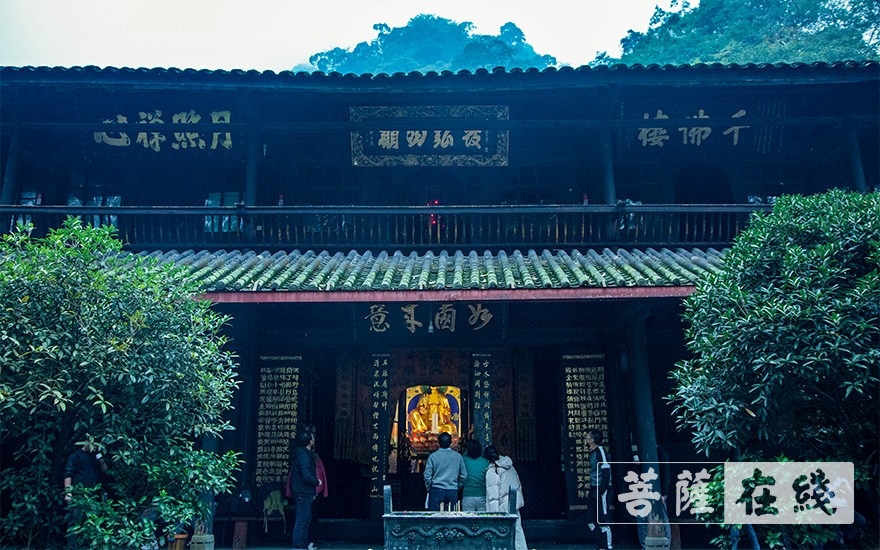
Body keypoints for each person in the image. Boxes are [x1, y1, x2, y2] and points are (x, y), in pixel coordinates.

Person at [63, 442, 108, 550]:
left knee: (92, 523)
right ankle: (72, 547)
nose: (96, 447)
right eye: (94, 445)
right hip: (79, 495)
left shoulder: (95, 457)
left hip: (92, 496)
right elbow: (68, 474)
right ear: (87, 442)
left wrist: (101, 460)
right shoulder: (76, 456)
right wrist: (68, 492)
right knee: (74, 523)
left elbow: (105, 470)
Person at [484, 445, 528, 550]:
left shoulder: (493, 471)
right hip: (514, 501)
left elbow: (493, 495)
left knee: (502, 530)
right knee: (517, 528)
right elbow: (518, 483)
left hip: (502, 506)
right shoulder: (509, 466)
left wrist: (494, 513)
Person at [286, 431, 321, 550]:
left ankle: (303, 544)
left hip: (303, 491)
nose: (314, 440)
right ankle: (298, 546)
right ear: (309, 441)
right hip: (303, 492)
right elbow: (306, 475)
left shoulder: (302, 454)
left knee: (305, 519)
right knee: (301, 521)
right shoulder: (304, 456)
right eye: (312, 438)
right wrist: (316, 481)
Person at [423, 431, 467, 511]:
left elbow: (427, 476)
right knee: (451, 515)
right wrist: (458, 486)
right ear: (451, 442)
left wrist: (429, 487)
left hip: (436, 489)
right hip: (452, 489)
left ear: (438, 442)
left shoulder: (433, 457)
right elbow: (463, 475)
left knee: (435, 515)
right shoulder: (458, 457)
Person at [586, 429, 613, 550]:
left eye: (588, 437)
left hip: (601, 487)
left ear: (592, 440)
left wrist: (603, 488)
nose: (586, 439)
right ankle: (600, 544)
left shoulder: (600, 451)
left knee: (602, 517)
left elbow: (606, 469)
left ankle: (607, 546)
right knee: (591, 518)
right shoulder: (592, 452)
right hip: (594, 486)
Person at [461, 440, 490, 511]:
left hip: (468, 495)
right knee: (482, 518)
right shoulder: (486, 462)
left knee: (468, 518)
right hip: (482, 495)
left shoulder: (464, 460)